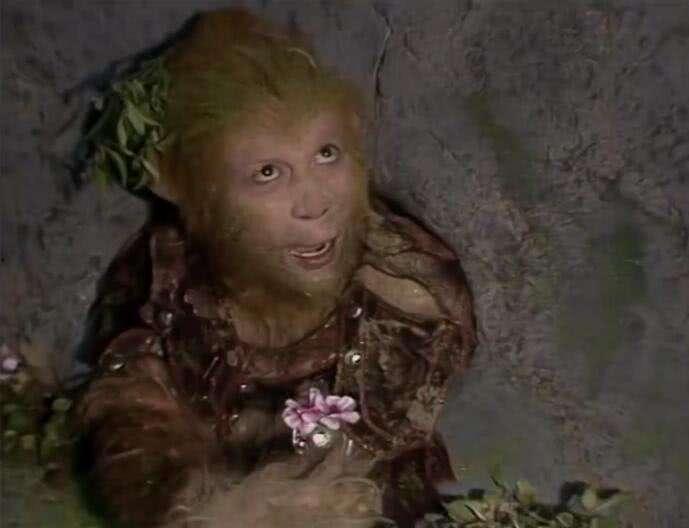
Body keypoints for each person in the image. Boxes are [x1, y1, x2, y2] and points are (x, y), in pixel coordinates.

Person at [74, 8, 476, 528]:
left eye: (327, 154)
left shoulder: (404, 286)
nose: (315, 202)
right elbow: (129, 411)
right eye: (268, 172)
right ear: (196, 194)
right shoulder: (169, 274)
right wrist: (193, 500)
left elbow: (378, 453)